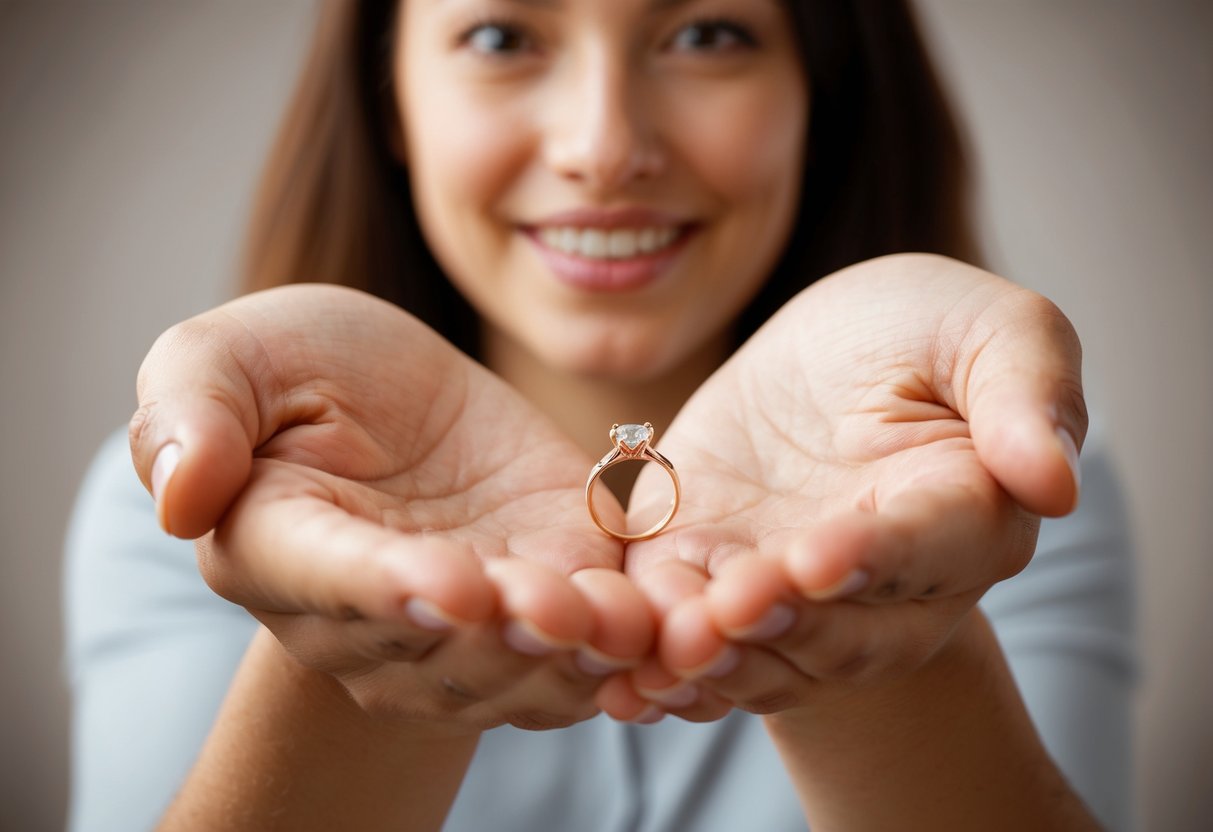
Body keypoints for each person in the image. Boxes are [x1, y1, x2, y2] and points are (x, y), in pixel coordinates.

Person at [64, 1, 1136, 830]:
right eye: (500, 35)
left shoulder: (991, 489)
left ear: (824, 88)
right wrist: (336, 661)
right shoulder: (205, 498)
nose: (604, 144)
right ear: (391, 97)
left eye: (708, 32)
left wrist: (893, 645)